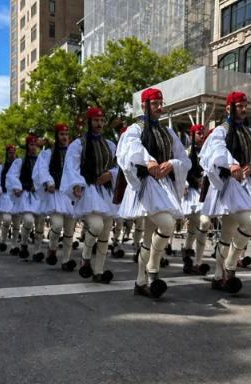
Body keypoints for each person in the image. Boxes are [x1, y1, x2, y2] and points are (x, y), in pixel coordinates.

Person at [117, 88, 191, 298]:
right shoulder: (135, 129)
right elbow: (130, 149)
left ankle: (141, 282)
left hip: (163, 187)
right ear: (144, 106)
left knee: (149, 237)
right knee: (166, 224)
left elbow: (185, 160)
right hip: (146, 186)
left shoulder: (168, 133)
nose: (159, 107)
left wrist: (172, 164)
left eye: (160, 103)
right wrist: (148, 160)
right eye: (154, 104)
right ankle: (152, 271)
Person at [199, 92, 251, 293]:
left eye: (245, 105)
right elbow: (214, 152)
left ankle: (219, 274)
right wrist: (231, 165)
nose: (243, 109)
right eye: (239, 106)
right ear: (230, 108)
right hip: (227, 187)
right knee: (250, 222)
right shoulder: (220, 131)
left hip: (243, 187)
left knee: (228, 232)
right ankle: (229, 267)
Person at [63, 107, 120, 283]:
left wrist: (110, 174)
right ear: (89, 122)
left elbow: (119, 165)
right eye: (96, 121)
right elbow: (71, 166)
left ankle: (99, 271)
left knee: (105, 234)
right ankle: (85, 257)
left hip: (106, 192)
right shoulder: (78, 144)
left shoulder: (110, 145)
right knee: (96, 226)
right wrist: (77, 184)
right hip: (89, 191)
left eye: (102, 121)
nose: (99, 124)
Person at [35, 124, 77, 270]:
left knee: (70, 231)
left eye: (66, 134)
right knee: (57, 225)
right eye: (61, 134)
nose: (64, 137)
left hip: (70, 195)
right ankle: (52, 248)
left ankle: (66, 260)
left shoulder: (74, 153)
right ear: (56, 136)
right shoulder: (48, 154)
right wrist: (49, 182)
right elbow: (42, 170)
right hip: (55, 194)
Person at [180, 124, 211, 276]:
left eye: (202, 133)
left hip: (203, 192)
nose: (201, 135)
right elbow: (182, 170)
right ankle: (187, 249)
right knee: (193, 224)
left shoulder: (208, 151)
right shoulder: (186, 152)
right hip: (191, 191)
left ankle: (198, 261)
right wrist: (185, 184)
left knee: (204, 223)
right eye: (199, 133)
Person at [7, 135, 41, 259]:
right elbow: (12, 176)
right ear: (27, 146)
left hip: (39, 195)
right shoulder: (20, 161)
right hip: (26, 196)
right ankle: (24, 243)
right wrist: (17, 187)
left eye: (35, 145)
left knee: (39, 225)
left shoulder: (41, 161)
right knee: (28, 220)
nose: (33, 147)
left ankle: (37, 251)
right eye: (31, 145)